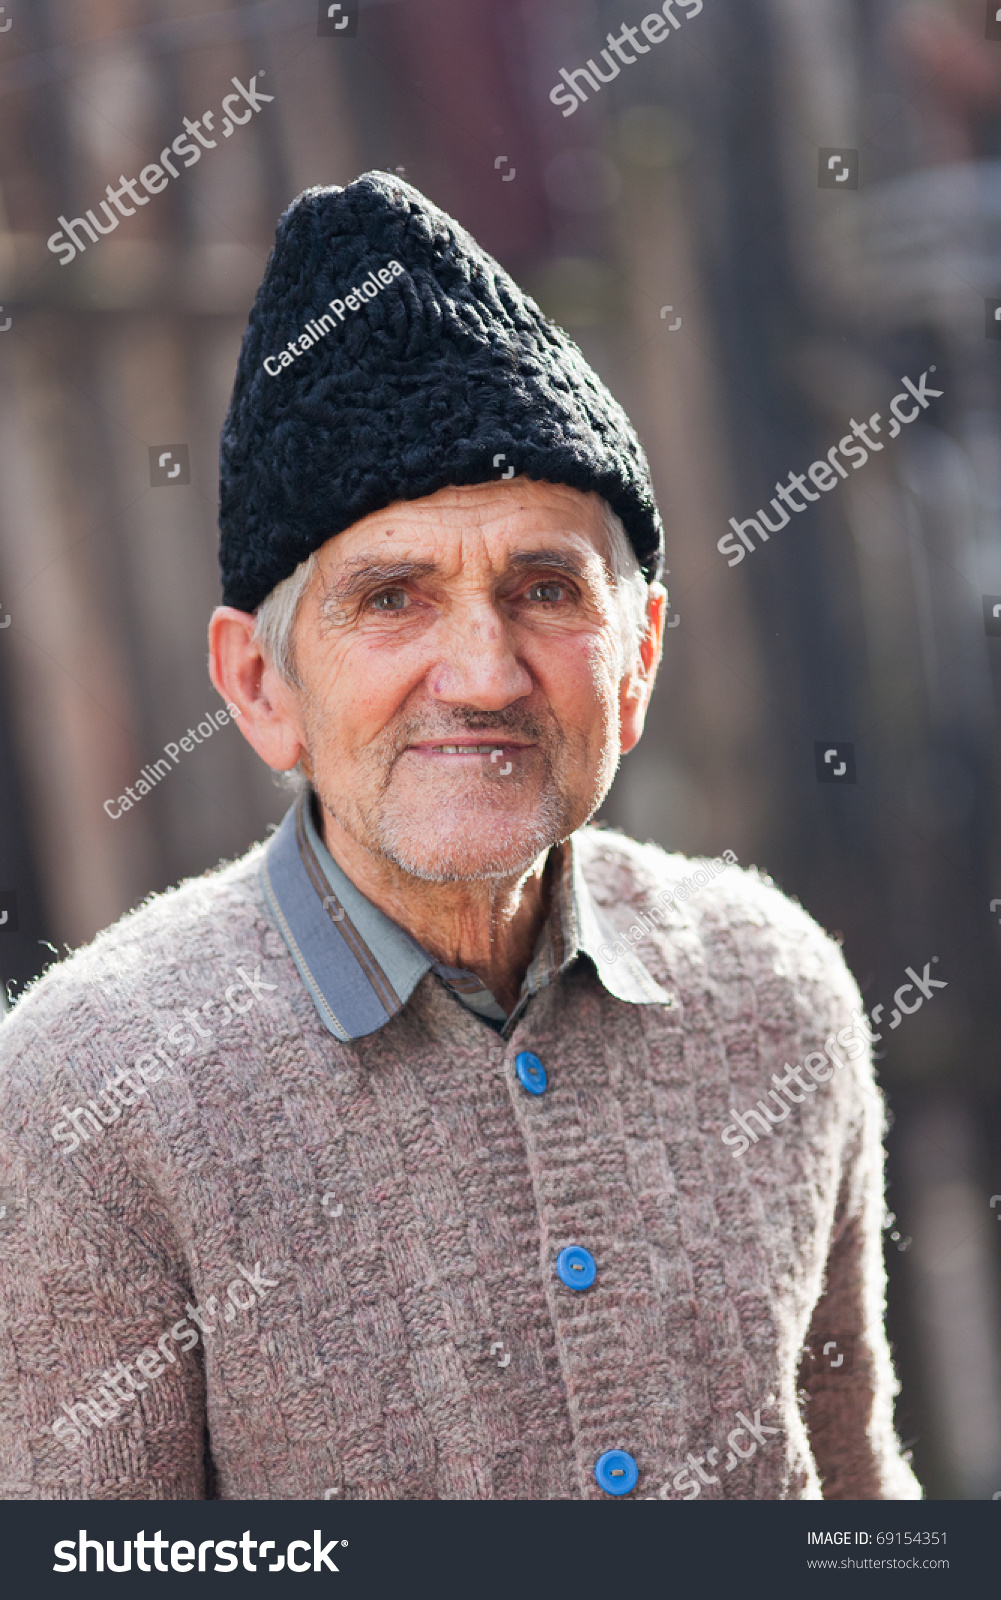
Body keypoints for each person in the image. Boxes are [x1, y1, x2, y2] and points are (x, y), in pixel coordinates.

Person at [0, 173, 919, 1501]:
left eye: (544, 589)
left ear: (639, 657)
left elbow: (852, 1494)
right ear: (261, 688)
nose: (483, 675)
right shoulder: (84, 1092)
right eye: (393, 598)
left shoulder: (776, 990)